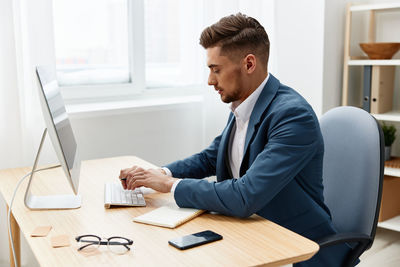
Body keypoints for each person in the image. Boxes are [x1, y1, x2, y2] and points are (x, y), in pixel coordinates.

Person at [120, 13, 352, 266]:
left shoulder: (292, 115)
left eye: (216, 70)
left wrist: (169, 185)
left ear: (249, 64)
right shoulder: (245, 104)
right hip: (253, 231)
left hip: (295, 246)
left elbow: (245, 196)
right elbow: (212, 157)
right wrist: (158, 173)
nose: (210, 81)